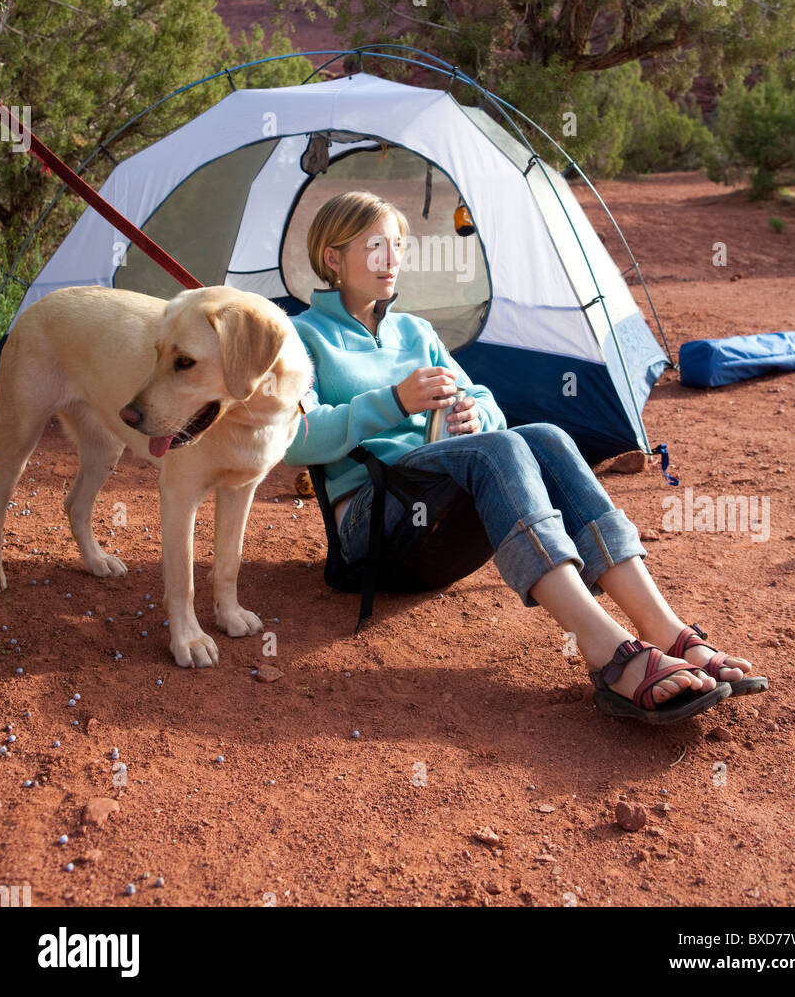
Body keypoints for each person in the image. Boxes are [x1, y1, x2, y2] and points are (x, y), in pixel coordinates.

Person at [282, 190, 768, 724]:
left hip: (437, 526)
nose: (393, 259)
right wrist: (394, 401)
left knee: (546, 435)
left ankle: (665, 629)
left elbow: (487, 403)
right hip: (373, 536)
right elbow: (298, 438)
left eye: (399, 245)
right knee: (499, 450)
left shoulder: (414, 332)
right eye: (376, 246)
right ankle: (606, 649)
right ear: (332, 257)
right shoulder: (302, 337)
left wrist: (474, 415)